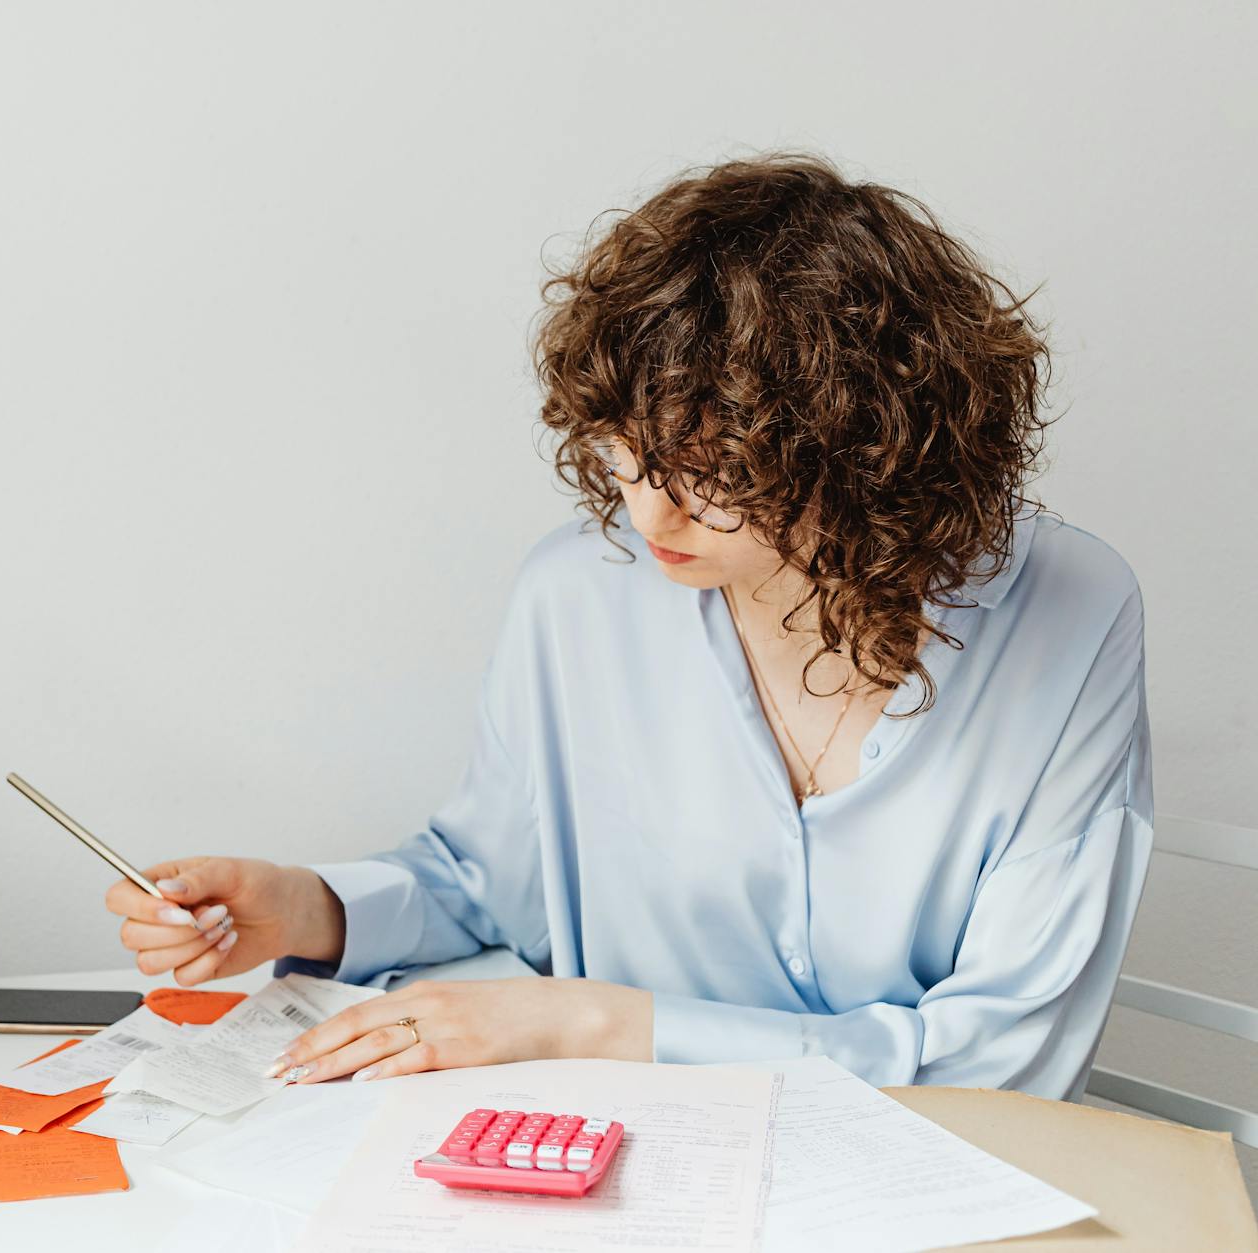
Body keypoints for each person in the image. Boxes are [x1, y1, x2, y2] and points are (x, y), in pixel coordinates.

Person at [105, 153, 1152, 1101]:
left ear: (864, 449)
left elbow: (1001, 1058)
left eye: (717, 473)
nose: (652, 514)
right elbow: (491, 881)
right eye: (624, 453)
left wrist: (595, 1020)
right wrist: (306, 907)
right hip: (631, 1168)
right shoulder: (578, 593)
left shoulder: (1067, 612)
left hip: (931, 1189)